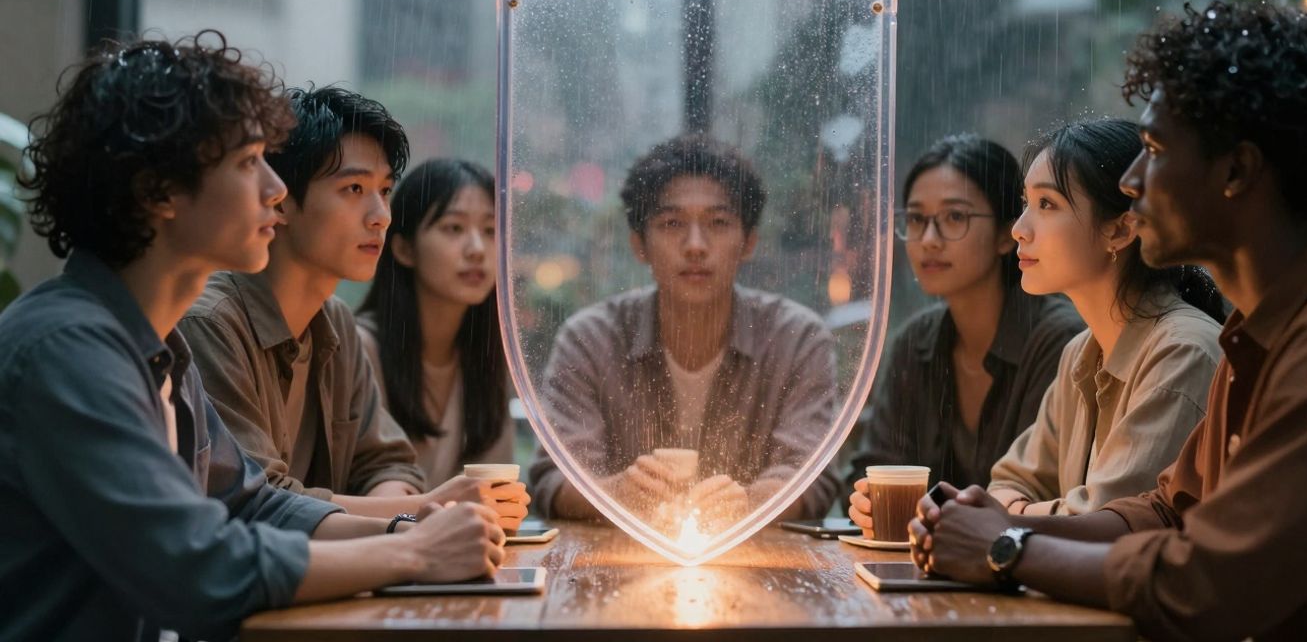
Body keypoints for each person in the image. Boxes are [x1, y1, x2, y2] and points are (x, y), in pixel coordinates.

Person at [0, 34, 504, 642]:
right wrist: (414, 554)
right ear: (157, 190)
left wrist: (409, 528)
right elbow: (199, 566)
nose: (274, 189)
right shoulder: (67, 349)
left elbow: (254, 504)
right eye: (247, 163)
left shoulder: (160, 350)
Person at [911, 1, 1307, 642]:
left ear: (1236, 170)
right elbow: (1163, 509)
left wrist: (1007, 547)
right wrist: (993, 525)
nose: (1130, 180)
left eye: (1151, 149)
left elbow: (1205, 585)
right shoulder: (1259, 336)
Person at [179, 86, 528, 529]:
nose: (380, 214)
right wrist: (420, 515)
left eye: (384, 190)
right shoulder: (211, 324)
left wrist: (404, 516)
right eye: (355, 188)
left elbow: (389, 465)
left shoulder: (334, 323)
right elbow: (256, 503)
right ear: (279, 199)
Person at [528, 134, 841, 526]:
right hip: (618, 565)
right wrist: (615, 494)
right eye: (672, 223)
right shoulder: (590, 339)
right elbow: (552, 478)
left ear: (749, 243)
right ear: (639, 245)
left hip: (755, 564)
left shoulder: (795, 338)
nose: (695, 245)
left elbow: (812, 474)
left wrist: (747, 503)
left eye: (719, 222)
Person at [847, 134, 1083, 537]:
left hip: (1024, 569)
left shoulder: (1056, 339)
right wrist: (867, 500)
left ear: (1008, 233)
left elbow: (1045, 491)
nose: (929, 240)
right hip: (927, 564)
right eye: (917, 220)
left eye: (955, 217)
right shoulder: (915, 342)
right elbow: (876, 461)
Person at [986, 118, 1223, 516]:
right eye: (1026, 203)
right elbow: (1010, 482)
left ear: (1120, 230)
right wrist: (1017, 510)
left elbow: (1108, 522)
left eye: (1047, 204)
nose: (1019, 230)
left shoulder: (1183, 352)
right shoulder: (1082, 351)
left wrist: (1016, 516)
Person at [357, 158, 515, 484]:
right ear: (403, 249)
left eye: (490, 230)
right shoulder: (361, 348)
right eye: (454, 228)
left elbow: (496, 488)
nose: (477, 250)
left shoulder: (489, 357)